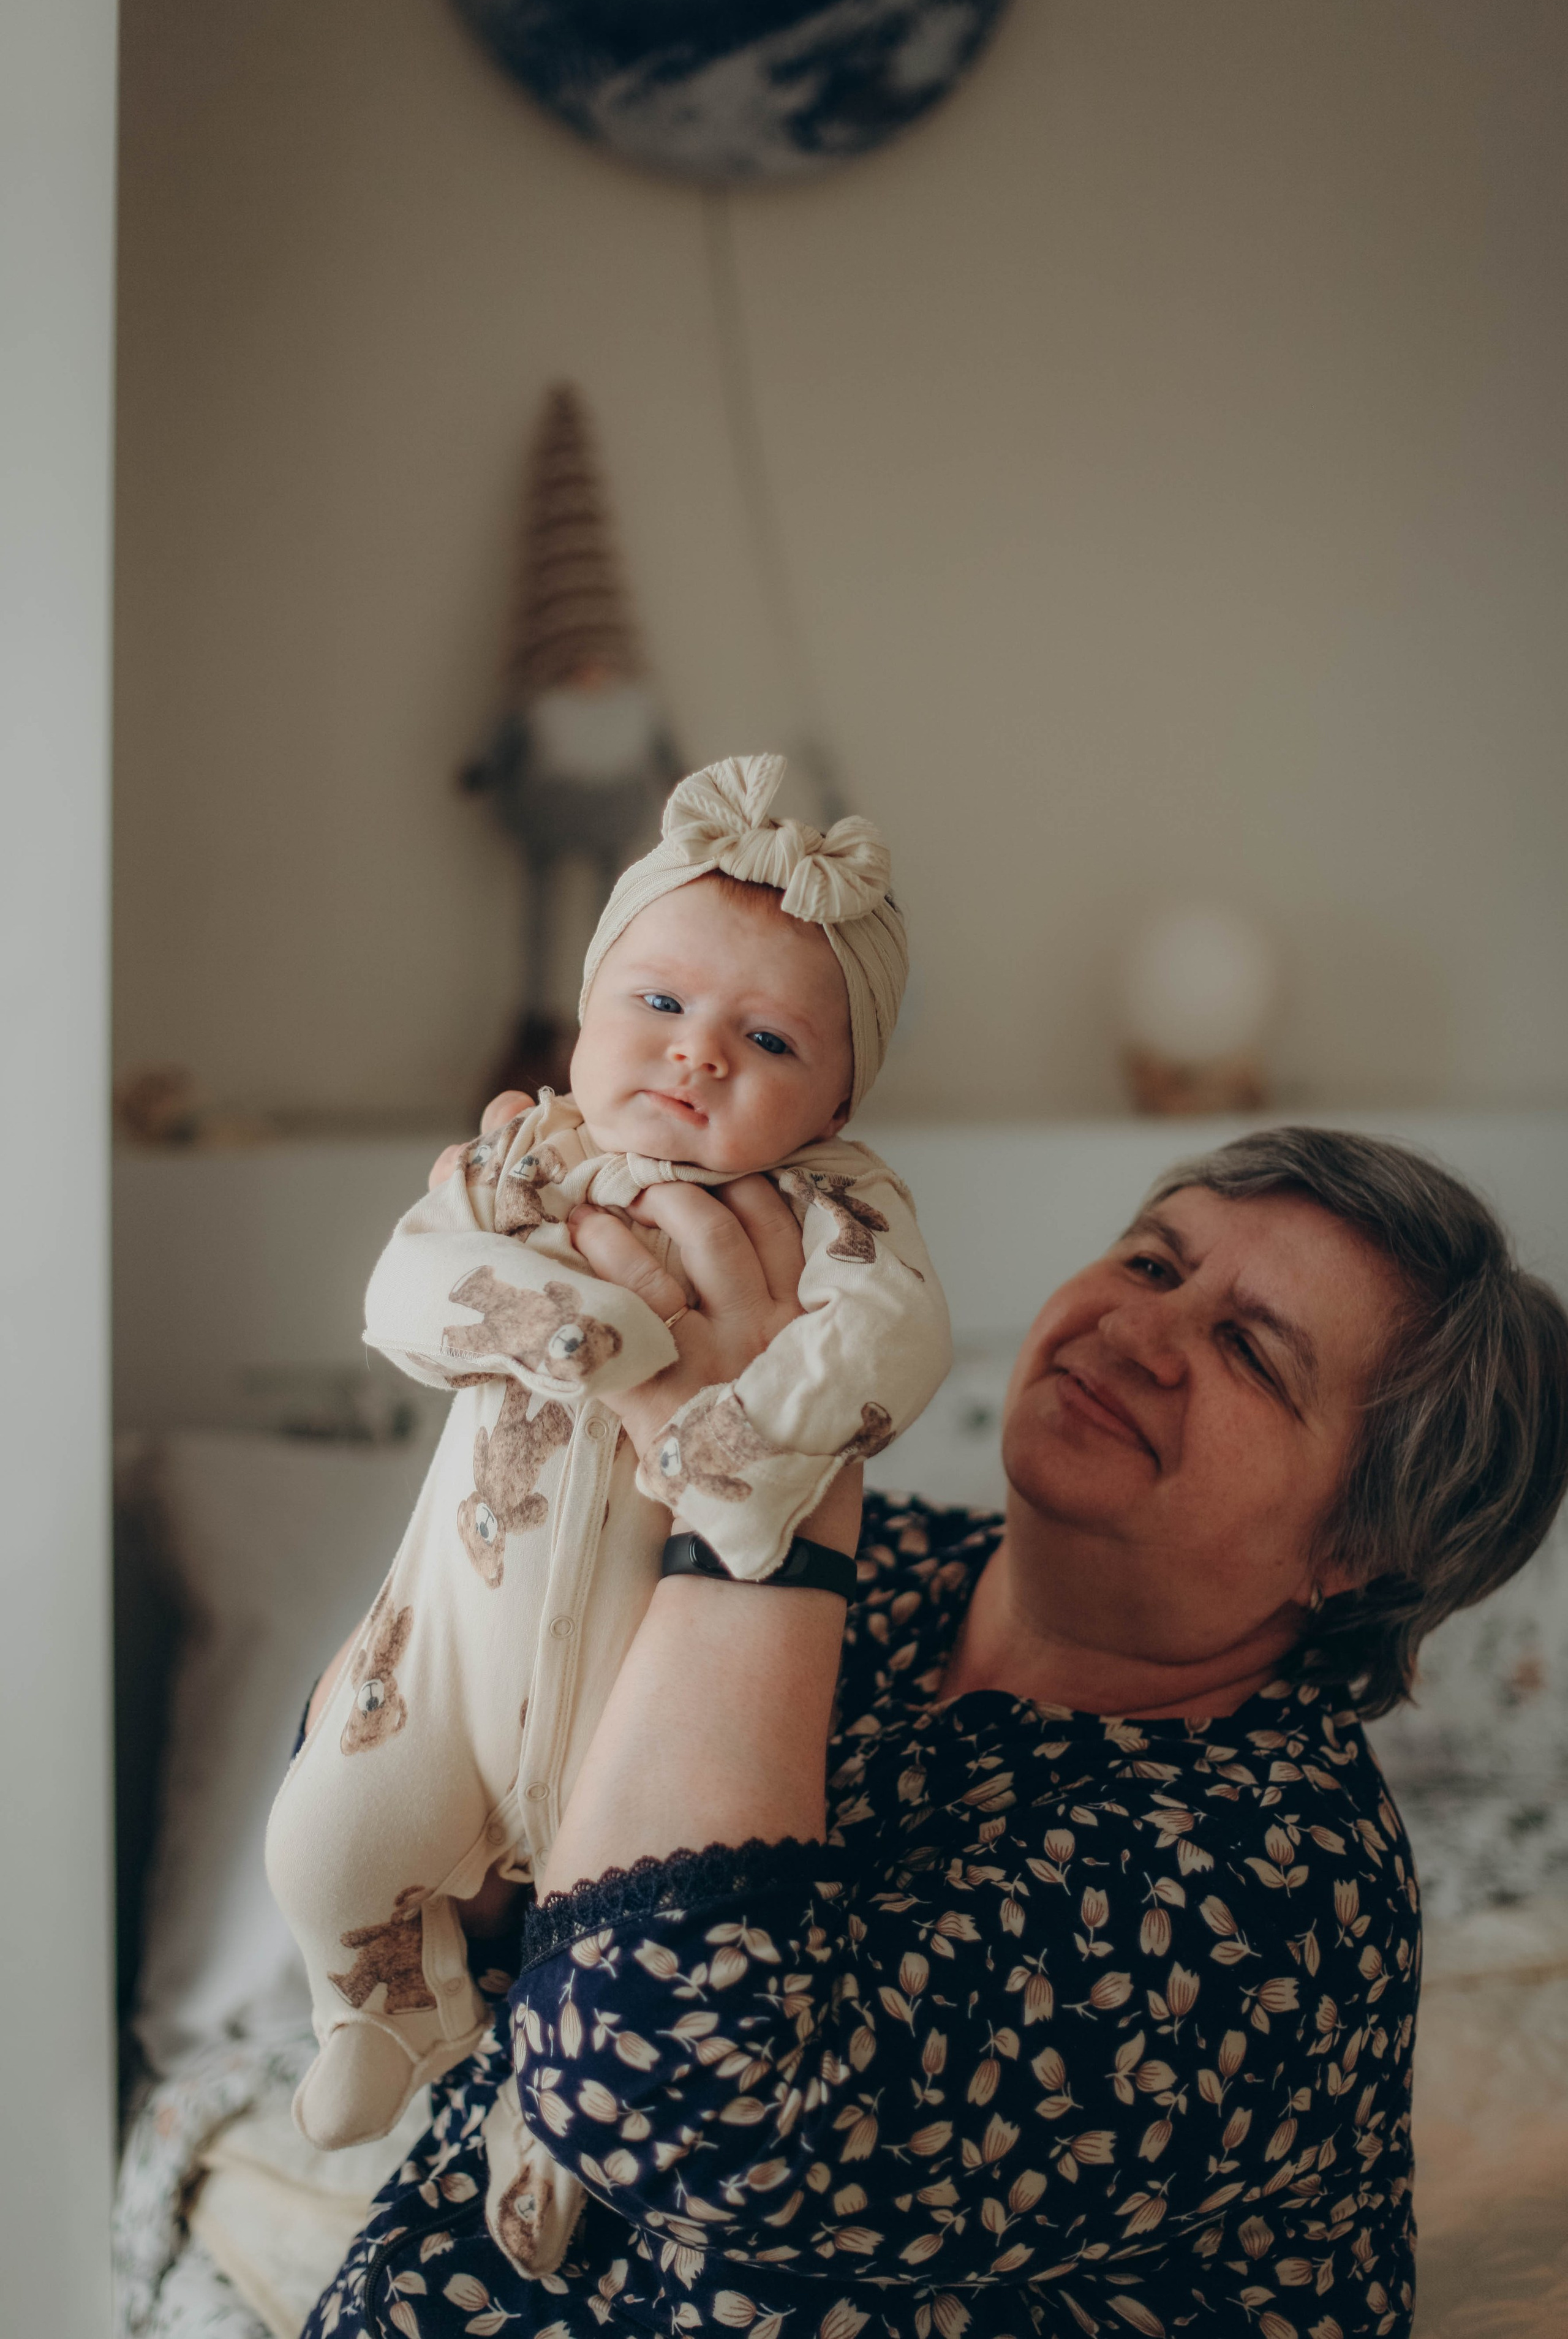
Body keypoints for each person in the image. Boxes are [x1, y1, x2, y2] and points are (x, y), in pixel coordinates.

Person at [301, 1120, 1568, 2339]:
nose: (1139, 1329)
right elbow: (439, 1796)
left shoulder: (1290, 1890)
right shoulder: (886, 1564)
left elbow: (659, 2090)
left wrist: (766, 1491)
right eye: (1150, 1261)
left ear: (1359, 1549)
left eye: (1249, 1350)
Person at [266, 755, 951, 2272]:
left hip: (639, 1693)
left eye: (763, 1037)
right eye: (655, 1005)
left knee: (605, 1937)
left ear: (838, 1095)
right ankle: (381, 2007)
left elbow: (887, 1352)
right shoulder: (525, 1164)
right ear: (582, 1024)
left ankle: (536, 2122)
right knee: (324, 1838)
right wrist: (558, 1328)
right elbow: (405, 1290)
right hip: (443, 1644)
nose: (695, 1055)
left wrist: (721, 1436)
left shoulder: (836, 1217)